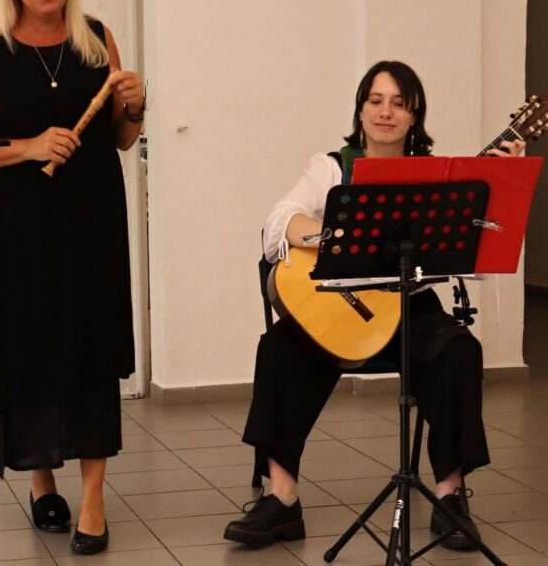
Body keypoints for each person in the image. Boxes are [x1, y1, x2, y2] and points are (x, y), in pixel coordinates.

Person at [224, 61, 525, 550]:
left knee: (460, 352)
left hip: (413, 308)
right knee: (278, 348)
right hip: (342, 307)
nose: (386, 112)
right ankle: (281, 500)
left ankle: (450, 499)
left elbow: (479, 263)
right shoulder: (332, 167)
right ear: (361, 109)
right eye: (376, 101)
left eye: (399, 104)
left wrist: (502, 181)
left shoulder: (439, 176)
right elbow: (278, 222)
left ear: (414, 115)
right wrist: (329, 237)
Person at [0, 0, 144, 555]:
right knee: (32, 345)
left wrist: (135, 105)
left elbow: (122, 138)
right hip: (23, 230)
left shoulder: (97, 37)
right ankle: (41, 480)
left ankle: (93, 500)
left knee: (91, 347)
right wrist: (29, 147)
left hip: (93, 222)